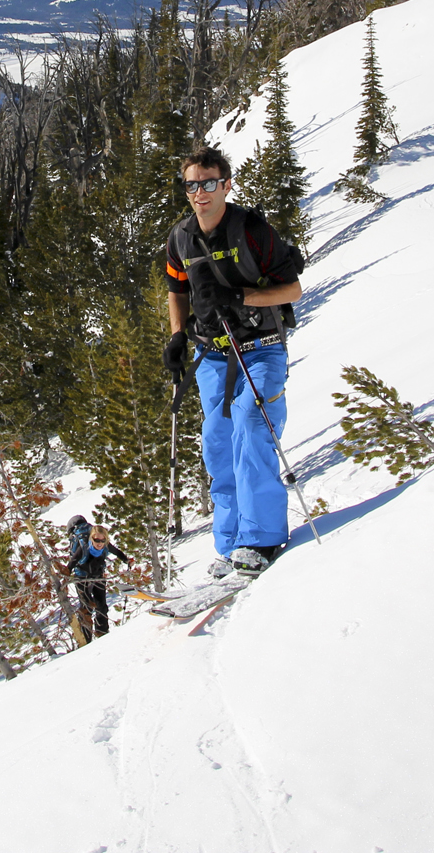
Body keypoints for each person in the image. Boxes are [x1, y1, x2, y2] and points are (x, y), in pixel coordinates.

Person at [163, 146, 304, 581]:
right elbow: (177, 289)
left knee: (250, 422)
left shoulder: (252, 230)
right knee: (217, 440)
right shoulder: (181, 236)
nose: (200, 193)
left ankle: (261, 536)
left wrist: (239, 297)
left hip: (259, 345)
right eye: (192, 184)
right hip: (211, 353)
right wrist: (176, 335)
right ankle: (230, 544)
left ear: (226, 184)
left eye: (208, 183)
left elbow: (293, 290)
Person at [66, 525, 129, 643]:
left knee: (102, 606)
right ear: (91, 539)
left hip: (98, 576)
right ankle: (86, 640)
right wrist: (64, 577)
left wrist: (126, 560)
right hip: (82, 578)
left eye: (102, 540)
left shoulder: (105, 546)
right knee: (86, 608)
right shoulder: (83, 547)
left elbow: (118, 552)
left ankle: (102, 635)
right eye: (96, 540)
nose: (99, 543)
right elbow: (71, 563)